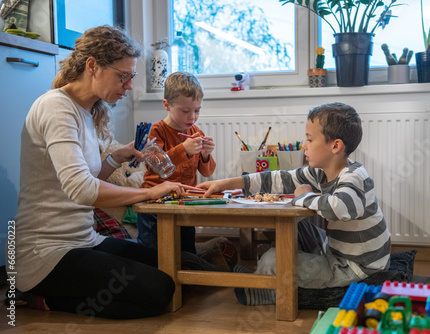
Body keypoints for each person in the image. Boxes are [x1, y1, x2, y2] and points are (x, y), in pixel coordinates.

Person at [11, 25, 198, 319]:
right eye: (122, 76)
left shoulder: (86, 111)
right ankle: (44, 298)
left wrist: (114, 158)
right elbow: (83, 191)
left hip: (85, 240)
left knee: (184, 267)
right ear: (92, 66)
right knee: (160, 290)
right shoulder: (56, 108)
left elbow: (87, 181)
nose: (128, 86)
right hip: (46, 255)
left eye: (131, 77)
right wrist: (149, 192)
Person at [198, 102, 391, 305]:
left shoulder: (355, 177)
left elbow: (339, 208)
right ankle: (270, 273)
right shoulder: (320, 171)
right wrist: (225, 183)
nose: (304, 145)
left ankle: (257, 290)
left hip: (357, 267)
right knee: (297, 228)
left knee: (274, 258)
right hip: (338, 250)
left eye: (309, 139)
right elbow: (278, 179)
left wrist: (303, 195)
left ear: (335, 146)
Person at [137, 72, 216, 255]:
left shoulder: (196, 131)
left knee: (186, 251)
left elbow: (207, 172)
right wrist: (184, 149)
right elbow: (157, 167)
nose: (192, 117)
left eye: (197, 110)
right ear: (167, 105)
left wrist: (205, 155)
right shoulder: (156, 131)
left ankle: (186, 280)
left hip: (185, 203)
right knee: (153, 253)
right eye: (185, 111)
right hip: (155, 205)